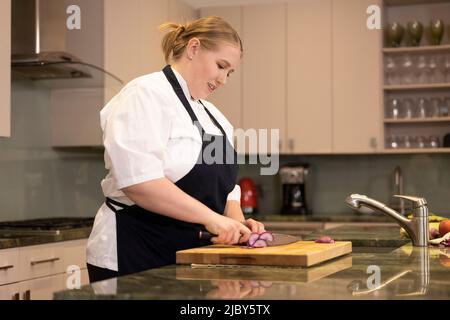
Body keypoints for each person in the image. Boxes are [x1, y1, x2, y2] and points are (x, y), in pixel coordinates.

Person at [86, 16, 265, 283]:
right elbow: (139, 182)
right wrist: (213, 220)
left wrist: (237, 225)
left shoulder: (216, 117)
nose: (223, 79)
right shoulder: (144, 94)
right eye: (221, 66)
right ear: (194, 49)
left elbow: (226, 189)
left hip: (189, 259)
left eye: (229, 72)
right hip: (135, 253)